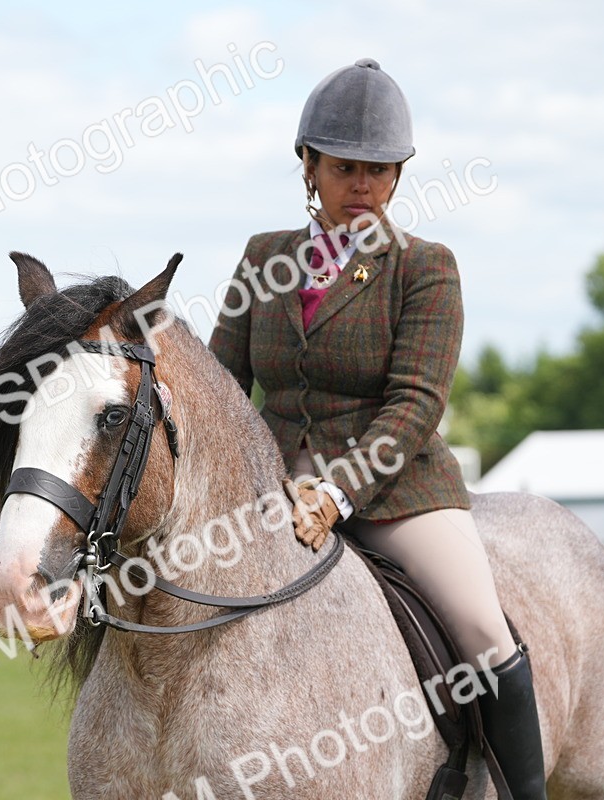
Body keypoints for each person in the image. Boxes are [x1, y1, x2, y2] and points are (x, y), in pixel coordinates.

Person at [208, 58, 546, 798]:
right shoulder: (262, 259)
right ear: (308, 166)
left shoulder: (424, 268)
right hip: (270, 487)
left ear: (398, 176)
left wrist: (336, 494)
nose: (362, 185)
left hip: (395, 492)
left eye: (379, 170)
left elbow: (415, 403)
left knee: (484, 631)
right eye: (344, 167)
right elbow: (223, 387)